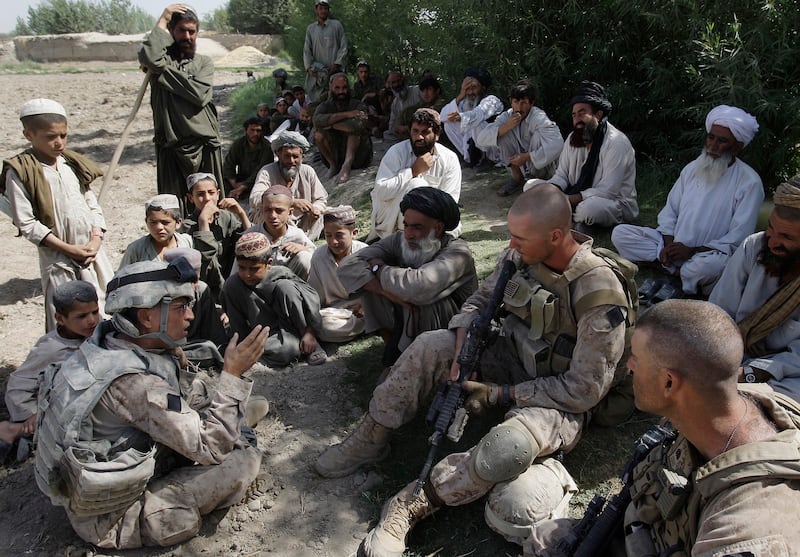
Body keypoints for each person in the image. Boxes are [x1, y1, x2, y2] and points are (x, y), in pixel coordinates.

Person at [317, 185, 635, 557]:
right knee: (429, 345)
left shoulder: (597, 292)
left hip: (560, 396)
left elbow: (585, 388)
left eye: (520, 239)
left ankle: (412, 502)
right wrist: (462, 339)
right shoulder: (523, 253)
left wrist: (503, 395)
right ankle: (372, 437)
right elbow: (482, 298)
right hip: (511, 358)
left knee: (508, 448)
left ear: (555, 236)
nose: (512, 247)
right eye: (511, 237)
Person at [528, 299, 800, 557]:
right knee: (542, 537)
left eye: (636, 358)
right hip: (648, 531)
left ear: (670, 383)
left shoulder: (746, 527)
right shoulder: (712, 405)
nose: (630, 366)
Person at [34, 257, 271, 549]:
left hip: (97, 474)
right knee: (242, 460)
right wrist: (233, 375)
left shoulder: (106, 339)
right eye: (180, 307)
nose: (190, 316)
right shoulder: (135, 384)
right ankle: (233, 430)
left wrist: (176, 358)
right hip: (111, 516)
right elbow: (211, 448)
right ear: (146, 318)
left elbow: (182, 395)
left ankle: (230, 421)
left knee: (227, 413)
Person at [612, 105, 763, 296]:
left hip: (707, 254)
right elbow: (670, 211)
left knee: (708, 267)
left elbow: (738, 237)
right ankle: (675, 270)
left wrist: (691, 251)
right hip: (674, 245)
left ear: (738, 146)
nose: (713, 145)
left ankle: (671, 271)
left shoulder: (750, 182)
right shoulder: (692, 168)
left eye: (722, 141)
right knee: (621, 233)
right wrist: (668, 244)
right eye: (711, 137)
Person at [2, 97, 113, 331]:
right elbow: (27, 223)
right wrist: (69, 249)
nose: (59, 142)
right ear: (29, 135)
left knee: (102, 310)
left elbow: (91, 203)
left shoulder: (71, 163)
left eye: (63, 135)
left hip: (92, 253)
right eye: (50, 137)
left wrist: (95, 239)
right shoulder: (22, 171)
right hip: (58, 258)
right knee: (67, 320)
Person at [337, 187, 478, 367]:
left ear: (438, 227)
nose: (409, 234)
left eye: (417, 227)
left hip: (454, 327)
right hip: (409, 315)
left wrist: (379, 268)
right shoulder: (399, 240)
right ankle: (394, 347)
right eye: (406, 225)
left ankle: (426, 361)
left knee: (426, 300)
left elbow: (420, 286)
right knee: (368, 284)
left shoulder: (458, 252)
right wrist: (385, 291)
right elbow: (347, 266)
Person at [709, 177, 800, 402]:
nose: (772, 242)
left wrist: (752, 373)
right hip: (732, 350)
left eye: (786, 237)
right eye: (771, 229)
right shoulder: (753, 246)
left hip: (784, 370)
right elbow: (719, 311)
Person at [0, 280, 100, 464]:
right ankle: (14, 430)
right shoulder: (51, 348)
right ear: (60, 318)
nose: (92, 320)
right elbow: (18, 384)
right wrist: (30, 413)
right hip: (55, 407)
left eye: (95, 312)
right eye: (82, 316)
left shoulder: (98, 333)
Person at [139, 4, 224, 214]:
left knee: (210, 201)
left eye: (192, 31)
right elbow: (148, 55)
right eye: (181, 31)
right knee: (172, 207)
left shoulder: (204, 63)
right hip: (171, 142)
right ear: (171, 31)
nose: (187, 36)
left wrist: (161, 73)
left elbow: (199, 94)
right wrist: (163, 17)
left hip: (203, 141)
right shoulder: (162, 60)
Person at [524, 81, 637, 230]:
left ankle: (564, 215)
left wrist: (567, 200)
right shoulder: (573, 138)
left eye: (582, 113)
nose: (577, 119)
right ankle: (571, 217)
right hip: (574, 197)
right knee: (531, 186)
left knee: (589, 208)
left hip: (612, 203)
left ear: (598, 114)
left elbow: (608, 191)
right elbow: (562, 175)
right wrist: (551, 192)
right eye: (574, 115)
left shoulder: (616, 142)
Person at [222, 232, 326, 367]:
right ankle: (257, 354)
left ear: (269, 263)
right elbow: (238, 326)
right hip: (266, 337)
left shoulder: (282, 274)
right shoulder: (233, 285)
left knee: (286, 287)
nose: (247, 274)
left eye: (254, 269)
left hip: (294, 329)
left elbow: (311, 300)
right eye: (242, 268)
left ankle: (310, 343)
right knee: (287, 349)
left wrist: (310, 332)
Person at [368, 108, 462, 241]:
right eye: (415, 131)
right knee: (416, 185)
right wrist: (413, 171)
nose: (419, 137)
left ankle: (426, 236)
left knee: (453, 224)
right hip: (391, 219)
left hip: (432, 218)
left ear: (437, 134)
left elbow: (450, 200)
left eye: (425, 132)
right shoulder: (396, 153)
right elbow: (381, 192)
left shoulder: (449, 158)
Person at [476, 79, 564, 196]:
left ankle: (536, 180)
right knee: (501, 133)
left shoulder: (538, 117)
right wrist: (506, 126)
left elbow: (557, 144)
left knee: (539, 136)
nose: (519, 107)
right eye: (516, 102)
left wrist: (528, 157)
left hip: (544, 168)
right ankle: (517, 178)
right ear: (511, 102)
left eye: (524, 103)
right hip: (521, 165)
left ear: (531, 104)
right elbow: (481, 139)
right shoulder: (507, 116)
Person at [181, 172, 250, 302]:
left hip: (230, 279)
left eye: (211, 193)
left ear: (218, 194)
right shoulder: (186, 227)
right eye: (200, 194)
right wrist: (203, 221)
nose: (207, 198)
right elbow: (207, 258)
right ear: (191, 198)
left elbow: (248, 241)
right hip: (205, 285)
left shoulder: (226, 217)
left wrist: (241, 213)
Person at [249, 131, 328, 240]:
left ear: (302, 157)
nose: (291, 161)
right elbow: (255, 198)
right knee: (276, 216)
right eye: (287, 156)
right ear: (278, 155)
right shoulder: (267, 171)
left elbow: (321, 198)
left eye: (295, 156)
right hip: (274, 219)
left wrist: (315, 209)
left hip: (302, 220)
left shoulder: (307, 171)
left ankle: (301, 239)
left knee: (332, 214)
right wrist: (291, 202)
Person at [308, 205, 367, 343]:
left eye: (339, 235)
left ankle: (366, 325)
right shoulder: (319, 256)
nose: (333, 242)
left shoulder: (365, 253)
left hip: (363, 311)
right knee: (324, 324)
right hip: (335, 313)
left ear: (354, 233)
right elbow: (317, 298)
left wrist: (366, 305)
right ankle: (366, 328)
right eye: (328, 236)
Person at [242, 185, 316, 280]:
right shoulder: (251, 236)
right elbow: (238, 271)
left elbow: (318, 257)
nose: (273, 216)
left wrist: (304, 249)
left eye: (279, 211)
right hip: (259, 288)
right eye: (268, 210)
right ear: (261, 210)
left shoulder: (297, 235)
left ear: (290, 212)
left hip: (291, 288)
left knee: (305, 257)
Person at [313, 73, 373, 184]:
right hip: (335, 153)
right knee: (318, 134)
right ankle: (333, 165)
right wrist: (348, 115)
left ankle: (347, 165)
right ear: (331, 88)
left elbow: (358, 125)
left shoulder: (357, 105)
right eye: (337, 88)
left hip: (358, 157)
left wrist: (331, 125)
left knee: (354, 132)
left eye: (344, 88)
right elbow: (317, 120)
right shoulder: (324, 106)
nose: (341, 92)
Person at [440, 67, 504, 166]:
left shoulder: (491, 100)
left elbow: (479, 113)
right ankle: (470, 158)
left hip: (495, 149)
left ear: (483, 87)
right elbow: (443, 116)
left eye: (474, 87)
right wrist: (461, 95)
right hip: (474, 147)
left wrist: (462, 117)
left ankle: (488, 159)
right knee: (448, 124)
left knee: (476, 122)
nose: (470, 92)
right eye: (467, 88)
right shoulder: (465, 103)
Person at [119, 194, 194, 268]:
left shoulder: (187, 242)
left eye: (165, 222)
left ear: (178, 223)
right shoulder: (136, 249)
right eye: (153, 222)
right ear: (146, 222)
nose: (159, 227)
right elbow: (121, 277)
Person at [222, 116, 275, 204]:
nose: (255, 134)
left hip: (258, 180)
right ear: (246, 130)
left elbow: (261, 170)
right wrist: (234, 183)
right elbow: (229, 164)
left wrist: (242, 187)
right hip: (241, 178)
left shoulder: (266, 147)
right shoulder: (239, 144)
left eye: (258, 131)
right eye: (252, 130)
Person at [303, 0, 347, 103]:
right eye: (321, 8)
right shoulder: (311, 29)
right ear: (316, 10)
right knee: (318, 100)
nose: (323, 11)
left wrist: (336, 64)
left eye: (325, 8)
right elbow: (306, 50)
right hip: (318, 73)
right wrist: (309, 67)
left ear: (328, 10)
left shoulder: (336, 25)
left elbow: (344, 47)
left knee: (337, 98)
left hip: (335, 71)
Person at [384, 70, 421, 142]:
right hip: (404, 135)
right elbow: (392, 126)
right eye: (392, 83)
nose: (396, 85)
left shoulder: (417, 91)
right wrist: (397, 128)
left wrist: (407, 128)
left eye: (398, 81)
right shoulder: (395, 103)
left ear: (403, 80)